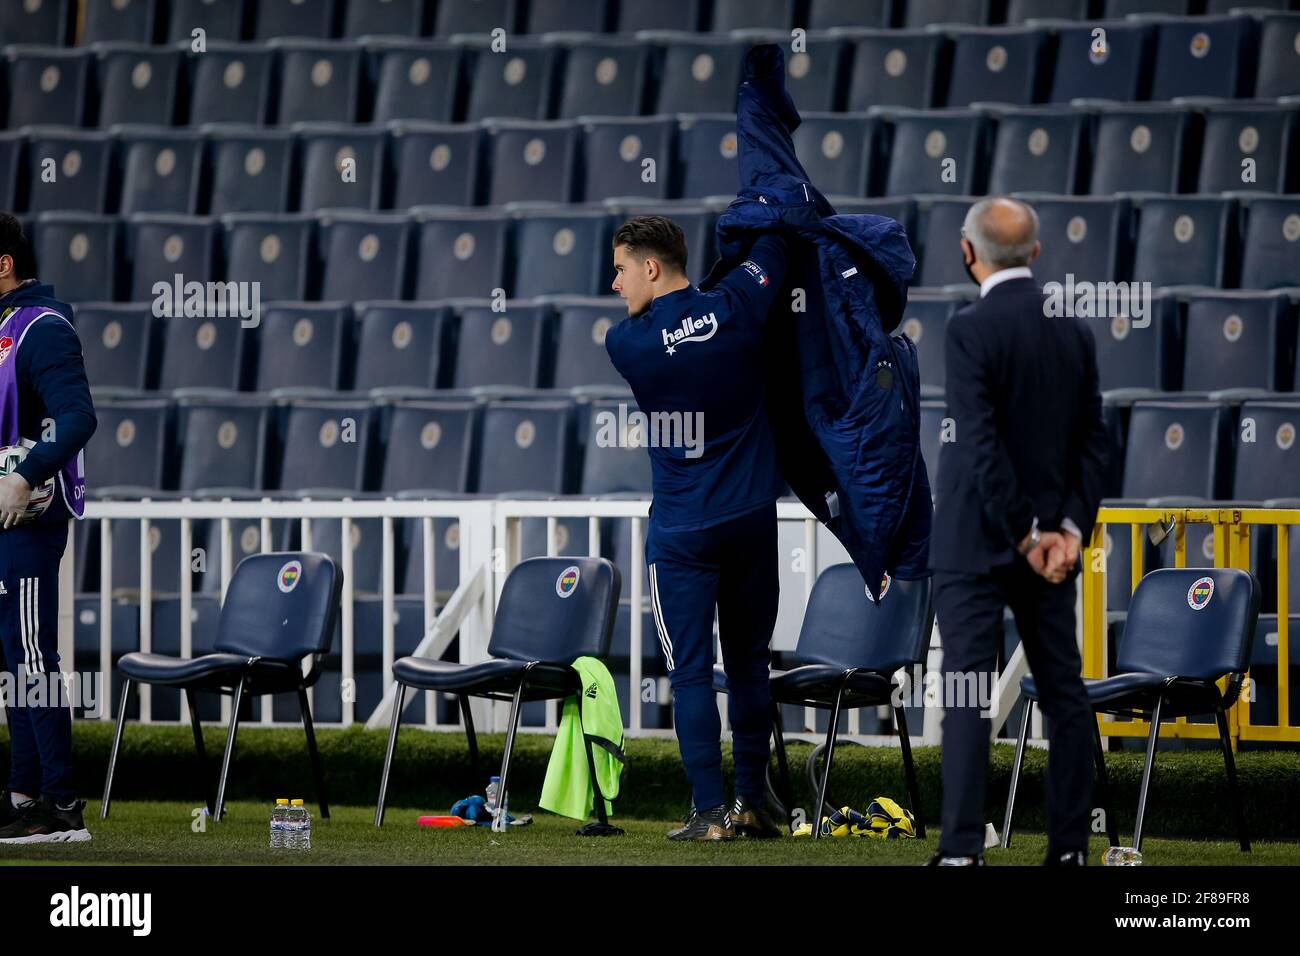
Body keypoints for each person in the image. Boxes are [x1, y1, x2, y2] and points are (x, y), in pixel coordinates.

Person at [927, 197, 1109, 866]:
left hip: (977, 542)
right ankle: (1069, 852)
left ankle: (962, 852)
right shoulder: (1075, 330)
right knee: (1065, 692)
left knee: (968, 695)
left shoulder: (968, 328)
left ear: (968, 253)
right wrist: (1065, 530)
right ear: (1035, 253)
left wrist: (1027, 535)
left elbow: (978, 445)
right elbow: (1097, 442)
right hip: (1053, 551)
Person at [604, 216, 788, 842]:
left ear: (650, 268)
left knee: (689, 671)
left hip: (683, 532)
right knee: (749, 665)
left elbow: (673, 325)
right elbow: (776, 244)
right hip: (751, 520)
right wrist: (755, 222)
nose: (615, 283)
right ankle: (754, 802)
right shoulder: (739, 305)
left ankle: (710, 812)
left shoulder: (625, 344)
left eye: (622, 268)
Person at [0, 213, 97, 844]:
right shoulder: (5, 328)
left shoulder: (43, 328)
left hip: (29, 519)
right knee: (13, 655)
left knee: (32, 656)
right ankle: (24, 796)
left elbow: (77, 416)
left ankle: (62, 806)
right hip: (6, 519)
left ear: (3, 264)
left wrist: (28, 471)